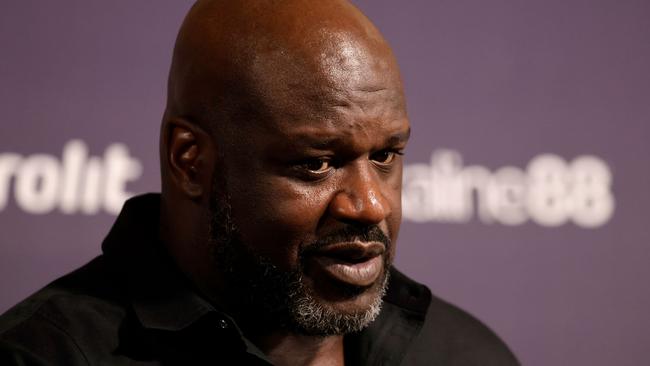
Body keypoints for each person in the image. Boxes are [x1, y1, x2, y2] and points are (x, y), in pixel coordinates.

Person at [0, 1, 518, 365]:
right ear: (190, 161)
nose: (371, 204)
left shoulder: (466, 354)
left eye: (385, 156)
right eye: (316, 164)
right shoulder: (44, 355)